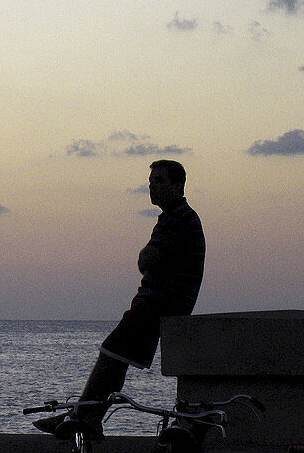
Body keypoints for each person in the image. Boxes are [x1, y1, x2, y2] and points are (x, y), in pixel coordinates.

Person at [36, 159, 205, 438]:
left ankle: (84, 416)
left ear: (178, 185)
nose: (152, 186)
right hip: (161, 303)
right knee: (116, 357)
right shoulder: (177, 217)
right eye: (150, 182)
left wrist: (144, 257)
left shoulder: (178, 218)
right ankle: (87, 415)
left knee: (110, 354)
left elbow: (149, 258)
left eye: (159, 181)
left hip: (158, 305)